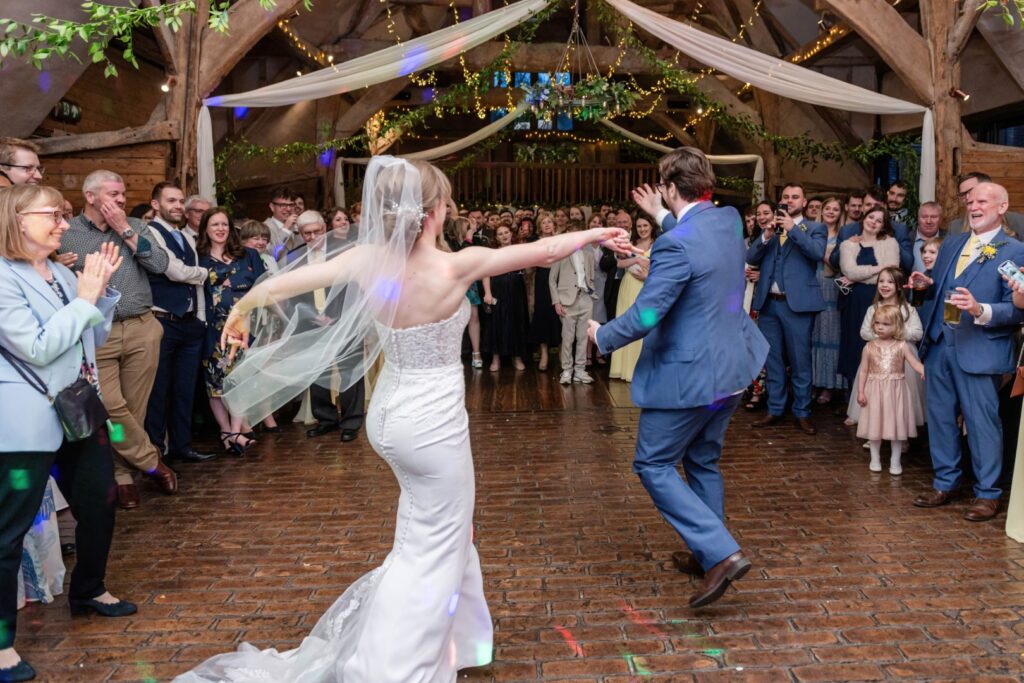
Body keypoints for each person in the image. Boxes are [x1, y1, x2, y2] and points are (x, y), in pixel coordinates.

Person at [174, 156, 630, 682]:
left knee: (438, 532)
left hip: (389, 416)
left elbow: (284, 284)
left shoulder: (369, 259)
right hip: (433, 427)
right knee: (431, 546)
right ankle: (392, 665)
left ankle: (463, 642)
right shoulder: (454, 265)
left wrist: (239, 310)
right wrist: (600, 231)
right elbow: (541, 250)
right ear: (434, 212)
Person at [592, 147, 768, 608]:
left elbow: (648, 312)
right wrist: (663, 215)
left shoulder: (674, 244)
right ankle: (705, 551)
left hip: (690, 378)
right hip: (732, 370)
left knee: (653, 464)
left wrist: (602, 333)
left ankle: (722, 553)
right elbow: (696, 237)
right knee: (703, 461)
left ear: (670, 188)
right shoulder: (728, 220)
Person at [0, 185, 136, 683]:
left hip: (79, 408)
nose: (62, 223)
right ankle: (1, 647)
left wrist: (101, 292)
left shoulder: (59, 271)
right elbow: (36, 347)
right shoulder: (2, 277)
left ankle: (89, 589)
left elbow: (88, 335)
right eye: (52, 215)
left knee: (101, 499)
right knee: (8, 533)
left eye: (61, 214)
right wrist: (85, 298)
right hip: (25, 420)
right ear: (17, 219)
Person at [60, 170, 176, 511]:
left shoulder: (138, 227)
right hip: (98, 333)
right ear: (91, 196)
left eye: (123, 193)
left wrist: (126, 229)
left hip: (142, 327)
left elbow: (159, 264)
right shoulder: (67, 234)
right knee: (110, 407)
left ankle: (122, 476)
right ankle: (151, 462)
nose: (122, 199)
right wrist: (55, 263)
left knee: (134, 408)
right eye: (114, 194)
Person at [910, 182, 1024, 522]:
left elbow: (1017, 311)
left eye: (982, 201)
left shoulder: (1013, 251)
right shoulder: (954, 243)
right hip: (939, 345)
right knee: (941, 420)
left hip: (979, 348)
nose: (973, 206)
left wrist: (979, 310)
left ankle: (988, 493)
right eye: (970, 201)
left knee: (981, 423)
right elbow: (942, 289)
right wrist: (926, 286)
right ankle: (945, 481)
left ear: (1001, 207)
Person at [746, 183, 827, 435]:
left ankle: (802, 412)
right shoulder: (771, 229)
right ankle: (775, 408)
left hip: (798, 306)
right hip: (769, 304)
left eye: (795, 197)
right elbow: (751, 257)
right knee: (773, 360)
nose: (789, 201)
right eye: (785, 197)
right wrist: (766, 237)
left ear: (803, 202)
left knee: (801, 362)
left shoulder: (814, 228)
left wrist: (793, 229)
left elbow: (816, 253)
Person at [143, 182, 215, 465]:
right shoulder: (150, 232)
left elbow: (190, 280)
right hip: (163, 321)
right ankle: (157, 451)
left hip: (189, 323)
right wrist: (203, 273)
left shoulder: (185, 237)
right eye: (171, 200)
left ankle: (182, 447)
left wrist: (200, 318)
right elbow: (171, 270)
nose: (177, 206)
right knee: (159, 390)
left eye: (180, 200)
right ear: (155, 204)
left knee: (184, 389)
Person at [282, 211, 366, 442]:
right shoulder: (293, 257)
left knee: (350, 371)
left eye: (317, 231)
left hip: (345, 320)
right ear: (300, 234)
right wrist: (310, 316)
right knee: (318, 374)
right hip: (311, 323)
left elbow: (356, 288)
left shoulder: (344, 251)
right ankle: (326, 419)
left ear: (324, 229)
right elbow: (290, 293)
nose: (312, 237)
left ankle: (351, 421)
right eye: (306, 233)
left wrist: (337, 316)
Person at [196, 208, 266, 454]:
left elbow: (263, 287)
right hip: (214, 330)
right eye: (214, 224)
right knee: (215, 383)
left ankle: (236, 430)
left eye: (224, 224)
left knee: (241, 380)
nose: (220, 229)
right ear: (205, 228)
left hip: (244, 329)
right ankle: (225, 430)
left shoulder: (248, 256)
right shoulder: (199, 259)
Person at [847, 267, 925, 427]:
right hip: (877, 359)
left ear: (899, 286)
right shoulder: (873, 309)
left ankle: (901, 433)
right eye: (881, 281)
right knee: (876, 396)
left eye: (890, 281)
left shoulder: (907, 309)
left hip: (902, 361)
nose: (884, 285)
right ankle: (874, 431)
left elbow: (917, 333)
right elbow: (864, 332)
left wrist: (896, 333)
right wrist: (883, 337)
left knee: (900, 398)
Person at [836, 206, 901, 394]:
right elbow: (849, 271)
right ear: (864, 218)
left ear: (883, 226)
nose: (873, 221)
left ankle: (879, 399)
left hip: (881, 300)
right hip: (854, 302)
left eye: (879, 220)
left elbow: (892, 272)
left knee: (879, 346)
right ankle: (853, 401)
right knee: (854, 346)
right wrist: (878, 268)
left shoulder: (890, 243)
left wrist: (859, 275)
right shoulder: (848, 245)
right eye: (871, 217)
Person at [855, 304, 925, 475]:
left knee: (896, 425)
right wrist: (861, 391)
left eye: (886, 324)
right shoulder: (869, 347)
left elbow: (914, 363)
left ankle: (895, 461)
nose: (880, 327)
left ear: (897, 326)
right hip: (875, 391)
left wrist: (924, 370)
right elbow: (864, 370)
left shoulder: (902, 346)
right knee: (875, 425)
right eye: (877, 323)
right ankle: (875, 458)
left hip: (896, 391)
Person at [549, 219, 596, 384]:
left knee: (584, 337)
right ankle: (567, 370)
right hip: (567, 301)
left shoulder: (589, 255)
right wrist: (556, 301)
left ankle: (580, 370)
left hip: (585, 299)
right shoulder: (560, 255)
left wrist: (591, 291)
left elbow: (590, 276)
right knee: (567, 337)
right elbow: (552, 280)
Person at [609, 215, 655, 383]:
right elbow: (620, 264)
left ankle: (642, 369)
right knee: (626, 325)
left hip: (647, 287)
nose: (642, 229)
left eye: (645, 225)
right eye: (639, 226)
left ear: (652, 226)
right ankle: (624, 368)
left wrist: (647, 277)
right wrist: (635, 258)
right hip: (628, 286)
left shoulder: (657, 244)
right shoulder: (631, 243)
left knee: (643, 326)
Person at [811, 196, 846, 404]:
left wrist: (822, 253)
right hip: (812, 285)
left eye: (836, 209)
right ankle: (815, 382)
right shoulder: (813, 231)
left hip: (831, 286)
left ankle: (830, 385)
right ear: (821, 211)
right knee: (813, 335)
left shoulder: (843, 236)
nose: (831, 212)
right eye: (828, 208)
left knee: (831, 336)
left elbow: (839, 264)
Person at [482, 225, 530, 372]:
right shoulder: (492, 253)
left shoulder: (518, 250)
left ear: (511, 234)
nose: (504, 236)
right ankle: (495, 359)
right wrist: (487, 293)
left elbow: (527, 270)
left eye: (506, 232)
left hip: (516, 289)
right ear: (496, 238)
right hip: (497, 289)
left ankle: (517, 358)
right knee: (497, 323)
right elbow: (485, 273)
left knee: (517, 322)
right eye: (500, 234)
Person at [529, 216, 562, 372]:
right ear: (539, 227)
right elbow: (533, 263)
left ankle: (563, 351)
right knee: (542, 314)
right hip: (542, 280)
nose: (547, 224)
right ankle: (544, 354)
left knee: (561, 314)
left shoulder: (561, 239)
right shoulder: (537, 243)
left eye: (549, 221)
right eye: (544, 222)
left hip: (561, 279)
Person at [949, 172, 1024, 238]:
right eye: (963, 194)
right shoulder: (955, 227)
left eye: (971, 191)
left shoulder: (1019, 222)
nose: (968, 197)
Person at [264, 186, 300, 259]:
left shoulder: (297, 224)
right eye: (283, 205)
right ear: (272, 207)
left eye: (291, 205)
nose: (288, 209)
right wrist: (285, 229)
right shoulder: (264, 227)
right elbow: (270, 255)